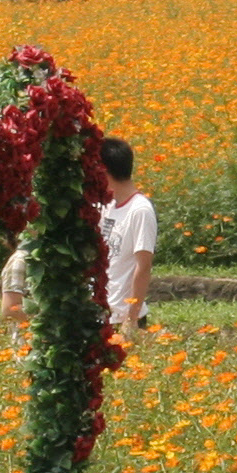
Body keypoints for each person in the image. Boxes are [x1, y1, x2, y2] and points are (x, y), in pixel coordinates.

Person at [99, 138, 156, 343]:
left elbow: (144, 266)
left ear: (103, 170)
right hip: (103, 314)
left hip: (124, 317)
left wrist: (131, 318)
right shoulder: (107, 206)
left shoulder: (140, 210)